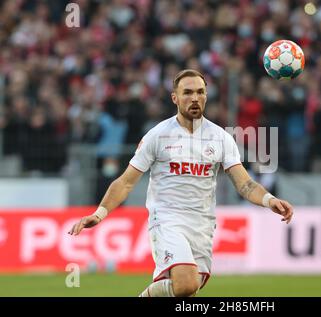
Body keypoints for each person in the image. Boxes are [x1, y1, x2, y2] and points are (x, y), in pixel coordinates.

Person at [68, 69, 294, 297]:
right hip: (167, 219)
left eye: (200, 92)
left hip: (203, 224)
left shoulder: (221, 138)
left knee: (186, 292)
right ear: (175, 98)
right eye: (187, 92)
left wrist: (269, 200)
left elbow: (245, 184)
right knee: (186, 283)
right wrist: (99, 213)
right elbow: (125, 182)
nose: (195, 98)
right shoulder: (158, 136)